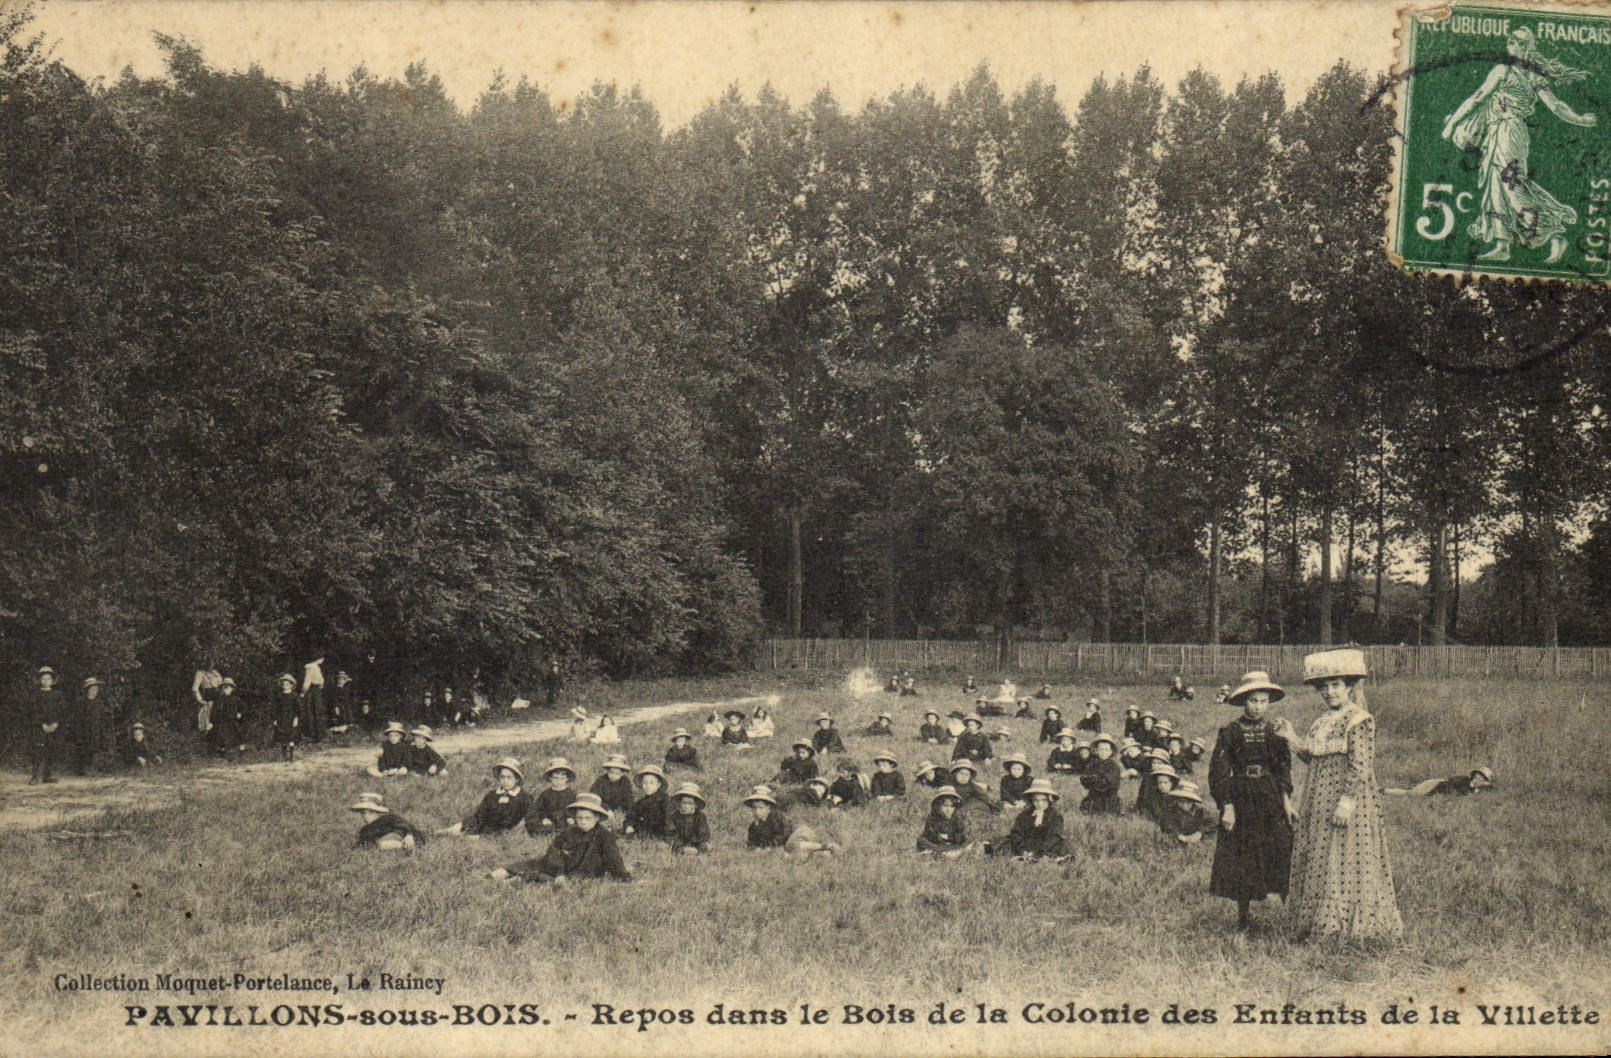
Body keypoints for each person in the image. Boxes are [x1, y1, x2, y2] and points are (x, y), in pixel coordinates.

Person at [1275, 649, 1403, 944]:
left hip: (1348, 800)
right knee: (1323, 857)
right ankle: (1321, 923)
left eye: (1336, 685)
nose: (1329, 692)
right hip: (1318, 798)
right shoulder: (1322, 722)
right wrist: (1292, 737)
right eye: (1324, 686)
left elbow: (1361, 765)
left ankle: (1352, 928)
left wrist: (1347, 802)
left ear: (1349, 686)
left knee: (1346, 859)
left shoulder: (1359, 719)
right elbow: (1314, 756)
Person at [1441, 26, 1598, 264]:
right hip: (1500, 132)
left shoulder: (1505, 71)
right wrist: (1581, 120)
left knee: (1512, 187)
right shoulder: (1530, 75)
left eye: (1515, 41)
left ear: (1525, 46)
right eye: (1510, 40)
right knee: (1496, 187)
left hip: (1509, 132)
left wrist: (1452, 124)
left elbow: (1478, 97)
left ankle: (1555, 233)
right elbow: (1556, 107)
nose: (1510, 44)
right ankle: (1502, 244)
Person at [1209, 670, 1296, 933]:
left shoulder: (1275, 731)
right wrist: (1227, 805)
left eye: (1263, 701)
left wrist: (1287, 802)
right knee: (1243, 854)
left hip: (1270, 796)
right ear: (1243, 701)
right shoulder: (1230, 732)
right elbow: (1219, 771)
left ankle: (1289, 917)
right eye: (1253, 701)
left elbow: (1283, 769)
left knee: (1280, 849)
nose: (1258, 707)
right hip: (1242, 796)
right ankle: (1243, 919)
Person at [493, 793, 630, 884]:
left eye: (587, 818)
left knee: (554, 879)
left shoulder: (603, 836)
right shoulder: (569, 832)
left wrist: (624, 877)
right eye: (579, 817)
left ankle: (521, 879)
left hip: (584, 870)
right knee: (538, 862)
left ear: (597, 818)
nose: (583, 821)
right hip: (562, 865)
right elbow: (554, 850)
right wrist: (558, 870)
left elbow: (614, 859)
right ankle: (507, 871)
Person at [442, 758, 532, 836]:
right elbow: (480, 814)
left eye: (509, 778)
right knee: (471, 821)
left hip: (503, 829)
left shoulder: (523, 797)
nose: (505, 781)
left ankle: (466, 834)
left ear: (516, 779)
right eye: (502, 777)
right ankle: (451, 830)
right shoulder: (492, 795)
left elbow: (528, 816)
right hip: (486, 824)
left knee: (475, 835)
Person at [744, 787, 837, 857]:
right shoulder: (753, 827)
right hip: (785, 846)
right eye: (754, 808)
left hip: (798, 833)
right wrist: (758, 849)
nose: (757, 811)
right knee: (784, 855)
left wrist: (770, 846)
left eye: (761, 808)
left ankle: (826, 846)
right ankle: (822, 854)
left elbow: (785, 833)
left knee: (791, 845)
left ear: (769, 808)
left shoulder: (776, 817)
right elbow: (751, 844)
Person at [992, 780, 1066, 861]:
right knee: (1007, 843)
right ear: (1031, 800)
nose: (1040, 804)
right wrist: (1023, 850)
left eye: (1044, 800)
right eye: (1036, 800)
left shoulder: (1056, 817)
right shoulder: (1024, 816)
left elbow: (1054, 837)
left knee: (1061, 845)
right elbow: (1017, 833)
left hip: (1045, 846)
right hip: (1026, 845)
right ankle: (1022, 856)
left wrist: (1037, 851)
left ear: (1049, 800)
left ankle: (1043, 857)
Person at [352, 794, 426, 851]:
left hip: (405, 842)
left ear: (377, 812)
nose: (366, 816)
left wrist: (409, 835)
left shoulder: (389, 819)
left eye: (370, 812)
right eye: (363, 813)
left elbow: (405, 825)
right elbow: (361, 845)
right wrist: (380, 845)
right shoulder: (365, 830)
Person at [915, 786, 973, 857]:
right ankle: (942, 853)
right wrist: (939, 837)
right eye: (945, 806)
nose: (948, 809)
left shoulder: (957, 819)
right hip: (937, 844)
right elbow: (930, 835)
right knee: (921, 840)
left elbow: (961, 835)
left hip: (953, 844)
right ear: (939, 806)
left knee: (969, 842)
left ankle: (947, 853)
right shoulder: (932, 818)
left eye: (951, 806)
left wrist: (949, 837)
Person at [526, 758, 579, 835]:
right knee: (535, 824)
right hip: (549, 821)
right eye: (555, 778)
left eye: (562, 778)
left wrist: (571, 818)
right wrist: (544, 818)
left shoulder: (571, 794)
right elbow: (539, 809)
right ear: (550, 778)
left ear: (567, 779)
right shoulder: (545, 794)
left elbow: (575, 809)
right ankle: (550, 831)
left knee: (574, 827)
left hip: (565, 820)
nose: (559, 782)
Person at [624, 765, 671, 839]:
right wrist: (629, 826)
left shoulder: (664, 800)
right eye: (645, 783)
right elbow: (630, 816)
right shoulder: (640, 802)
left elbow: (669, 820)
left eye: (651, 783)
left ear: (658, 785)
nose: (648, 786)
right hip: (643, 832)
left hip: (659, 834)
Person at [1079, 734, 1121, 815]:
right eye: (1101, 749)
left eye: (1106, 750)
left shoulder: (1114, 766)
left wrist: (1093, 779)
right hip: (1094, 795)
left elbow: (1107, 783)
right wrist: (1094, 779)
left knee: (1107, 812)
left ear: (1111, 752)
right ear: (1096, 751)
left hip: (1109, 797)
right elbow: (1084, 779)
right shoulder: (1092, 764)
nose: (1103, 752)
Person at [1384, 766, 1496, 796]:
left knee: (1410, 793)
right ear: (1474, 776)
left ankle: (1386, 790)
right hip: (1435, 785)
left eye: (1481, 779)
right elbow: (1451, 786)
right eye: (1477, 777)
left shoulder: (1479, 789)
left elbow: (1492, 789)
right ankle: (1385, 790)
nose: (1478, 780)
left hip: (1437, 790)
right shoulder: (1463, 780)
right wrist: (1472, 790)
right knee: (1410, 793)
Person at [668, 782, 711, 855]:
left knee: (704, 846)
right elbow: (671, 832)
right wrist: (681, 845)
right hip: (679, 843)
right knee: (669, 845)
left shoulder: (700, 816)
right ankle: (683, 851)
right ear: (679, 803)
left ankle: (696, 852)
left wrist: (695, 842)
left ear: (695, 805)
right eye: (684, 803)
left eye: (690, 803)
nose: (686, 806)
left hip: (696, 843)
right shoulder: (674, 816)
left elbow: (704, 833)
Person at [211, 677, 248, 757]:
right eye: (223, 688)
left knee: (237, 734)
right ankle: (223, 751)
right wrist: (213, 720)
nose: (225, 689)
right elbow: (214, 710)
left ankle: (239, 751)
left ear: (232, 689)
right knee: (221, 735)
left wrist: (240, 713)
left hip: (233, 720)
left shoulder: (236, 699)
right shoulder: (220, 699)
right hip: (223, 721)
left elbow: (244, 707)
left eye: (227, 687)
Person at [270, 673, 300, 762]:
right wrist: (275, 719)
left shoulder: (294, 695)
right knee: (282, 738)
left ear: (291, 685)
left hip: (291, 718)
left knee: (291, 737)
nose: (285, 686)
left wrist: (296, 718)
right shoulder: (279, 695)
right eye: (284, 684)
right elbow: (275, 708)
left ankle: (291, 756)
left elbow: (298, 708)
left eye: (287, 684)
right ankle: (284, 756)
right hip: (281, 718)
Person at [299, 657, 326, 743]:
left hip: (316, 691)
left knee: (316, 711)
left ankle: (317, 735)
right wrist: (303, 692)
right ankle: (314, 735)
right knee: (312, 711)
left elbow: (321, 682)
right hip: (313, 691)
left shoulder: (316, 668)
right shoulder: (311, 667)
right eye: (322, 658)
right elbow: (307, 682)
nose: (323, 660)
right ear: (318, 658)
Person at [191, 665, 222, 735]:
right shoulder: (200, 673)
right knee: (206, 714)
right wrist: (200, 699)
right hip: (208, 697)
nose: (210, 663)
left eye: (212, 661)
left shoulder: (215, 673)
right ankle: (206, 734)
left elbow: (221, 685)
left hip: (218, 697)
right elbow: (195, 688)